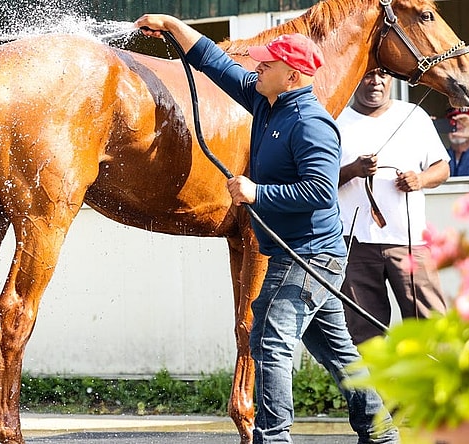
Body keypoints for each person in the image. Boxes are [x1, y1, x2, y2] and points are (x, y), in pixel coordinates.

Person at [134, 15, 399, 444]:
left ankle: (273, 438)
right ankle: (382, 433)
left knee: (269, 342)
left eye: (266, 64)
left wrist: (257, 193)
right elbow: (213, 62)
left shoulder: (313, 124)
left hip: (308, 257)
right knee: (338, 353)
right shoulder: (266, 101)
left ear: (292, 75)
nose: (257, 67)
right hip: (304, 253)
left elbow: (318, 190)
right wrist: (171, 25)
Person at [337, 68, 449, 345]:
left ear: (391, 80)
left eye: (383, 75)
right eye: (367, 76)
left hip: (410, 243)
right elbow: (320, 182)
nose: (376, 82)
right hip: (355, 245)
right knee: (364, 335)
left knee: (431, 326)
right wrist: (354, 169)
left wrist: (420, 179)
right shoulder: (336, 120)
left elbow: (442, 168)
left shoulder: (413, 115)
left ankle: (435, 388)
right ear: (355, 79)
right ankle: (377, 390)